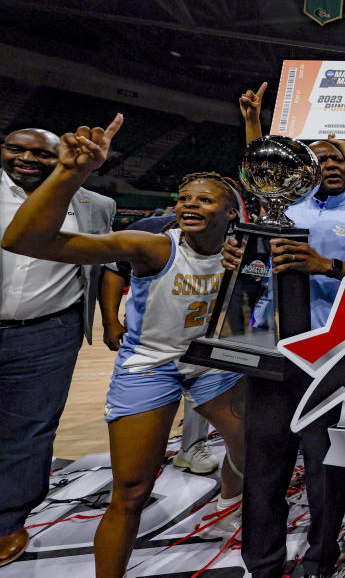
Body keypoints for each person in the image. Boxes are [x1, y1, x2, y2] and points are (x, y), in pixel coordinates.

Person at [1, 116, 248, 578]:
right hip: (151, 364)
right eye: (184, 198)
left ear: (231, 212)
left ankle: (230, 502)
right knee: (132, 490)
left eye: (204, 199)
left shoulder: (245, 250)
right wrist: (70, 174)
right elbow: (24, 240)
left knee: (247, 445)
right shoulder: (151, 245)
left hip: (211, 362)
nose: (189, 204)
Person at [223, 126, 345, 578]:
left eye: (339, 159)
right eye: (322, 159)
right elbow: (255, 274)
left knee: (326, 471)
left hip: (333, 360)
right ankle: (261, 563)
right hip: (273, 354)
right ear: (301, 172)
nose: (332, 164)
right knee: (263, 468)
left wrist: (328, 266)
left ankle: (321, 560)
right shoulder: (278, 211)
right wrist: (238, 261)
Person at [0, 125, 116, 567]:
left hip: (48, 333)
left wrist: (110, 320)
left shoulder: (95, 204)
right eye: (16, 149)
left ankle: (7, 522)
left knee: (29, 432)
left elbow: (103, 265)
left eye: (41, 154)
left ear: (61, 156)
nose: (26, 159)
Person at [100, 211, 221, 476]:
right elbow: (115, 271)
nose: (195, 205)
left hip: (201, 336)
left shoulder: (230, 237)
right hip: (152, 339)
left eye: (207, 200)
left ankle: (192, 447)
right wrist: (110, 320)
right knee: (145, 405)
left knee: (196, 397)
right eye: (187, 197)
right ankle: (136, 465)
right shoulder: (150, 228)